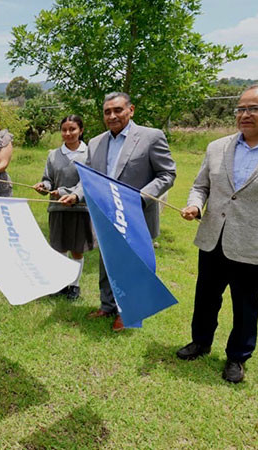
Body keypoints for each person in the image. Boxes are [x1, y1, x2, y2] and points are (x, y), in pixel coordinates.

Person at [176, 84, 258, 383]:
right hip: (213, 240)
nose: (244, 115)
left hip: (255, 248)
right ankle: (200, 342)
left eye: (253, 108)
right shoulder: (217, 147)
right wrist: (196, 206)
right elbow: (201, 186)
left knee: (246, 306)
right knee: (206, 297)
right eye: (240, 109)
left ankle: (237, 357)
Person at [59, 92, 176, 331]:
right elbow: (89, 178)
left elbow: (167, 174)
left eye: (118, 110)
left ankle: (128, 312)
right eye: (107, 112)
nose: (112, 116)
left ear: (130, 110)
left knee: (133, 266)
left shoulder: (151, 137)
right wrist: (76, 194)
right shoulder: (96, 142)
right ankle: (107, 306)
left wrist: (137, 199)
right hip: (105, 215)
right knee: (108, 261)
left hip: (137, 216)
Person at [32, 115, 94, 300]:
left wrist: (69, 194)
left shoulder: (89, 154)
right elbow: (48, 179)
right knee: (59, 249)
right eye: (64, 130)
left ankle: (74, 285)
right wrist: (44, 187)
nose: (68, 133)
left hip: (80, 208)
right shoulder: (53, 154)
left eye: (72, 129)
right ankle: (61, 284)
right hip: (58, 209)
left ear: (81, 131)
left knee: (77, 250)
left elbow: (88, 182)